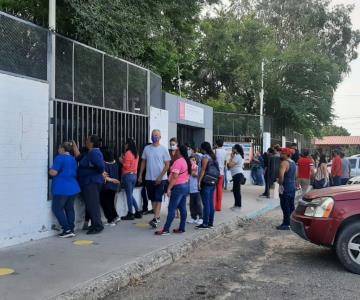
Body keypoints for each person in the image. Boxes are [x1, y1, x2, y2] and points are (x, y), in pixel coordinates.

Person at [138, 129, 171, 228]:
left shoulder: (164, 149)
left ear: (160, 137)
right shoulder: (147, 149)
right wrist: (140, 175)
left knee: (158, 198)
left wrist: (160, 177)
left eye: (156, 135)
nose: (155, 137)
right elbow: (143, 162)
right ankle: (156, 216)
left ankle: (155, 218)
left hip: (161, 179)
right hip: (149, 178)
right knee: (152, 198)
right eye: (153, 135)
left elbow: (167, 165)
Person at [155, 145, 191, 235]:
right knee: (182, 208)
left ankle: (166, 229)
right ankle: (182, 228)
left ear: (179, 152)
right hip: (185, 186)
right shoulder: (187, 161)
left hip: (178, 187)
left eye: (175, 150)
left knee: (172, 208)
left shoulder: (178, 162)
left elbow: (174, 177)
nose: (173, 152)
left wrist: (169, 189)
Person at [73, 135, 105, 235]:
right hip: (88, 183)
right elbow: (78, 157)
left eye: (87, 140)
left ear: (91, 143)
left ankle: (98, 226)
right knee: (91, 205)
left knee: (93, 205)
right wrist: (74, 146)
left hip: (92, 183)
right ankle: (95, 224)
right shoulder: (89, 152)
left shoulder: (95, 153)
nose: (85, 141)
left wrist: (90, 165)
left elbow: (101, 167)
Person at [49, 142, 81, 238]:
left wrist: (49, 169)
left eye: (59, 148)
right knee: (69, 208)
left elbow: (53, 173)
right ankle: (71, 229)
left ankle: (66, 229)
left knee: (57, 208)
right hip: (73, 187)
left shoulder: (59, 158)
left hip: (62, 188)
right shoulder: (73, 159)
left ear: (63, 149)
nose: (58, 150)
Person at [196, 142, 219, 230]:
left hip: (206, 182)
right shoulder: (213, 157)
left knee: (206, 204)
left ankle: (205, 223)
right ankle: (210, 223)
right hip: (213, 181)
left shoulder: (205, 157)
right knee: (210, 203)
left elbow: (203, 170)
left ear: (203, 149)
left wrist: (199, 182)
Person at [121, 138, 142, 220]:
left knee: (129, 195)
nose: (124, 145)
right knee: (130, 194)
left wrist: (121, 160)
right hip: (134, 176)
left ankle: (130, 213)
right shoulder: (136, 154)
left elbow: (126, 166)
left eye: (125, 144)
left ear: (128, 145)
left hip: (128, 176)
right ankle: (137, 211)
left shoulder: (128, 153)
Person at [277, 148, 296, 230]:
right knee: (291, 206)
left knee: (285, 205)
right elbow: (296, 174)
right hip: (292, 186)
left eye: (282, 153)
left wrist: (280, 183)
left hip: (286, 186)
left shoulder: (284, 163)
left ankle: (286, 224)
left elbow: (281, 175)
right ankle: (293, 223)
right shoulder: (293, 162)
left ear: (287, 155)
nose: (281, 154)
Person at [100, 148, 121, 226]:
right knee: (111, 203)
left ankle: (111, 220)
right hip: (114, 187)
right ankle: (115, 217)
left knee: (106, 204)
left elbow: (104, 176)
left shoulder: (104, 164)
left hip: (106, 187)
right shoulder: (115, 163)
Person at [227, 144, 245, 210]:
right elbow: (229, 167)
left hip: (238, 175)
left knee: (236, 190)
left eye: (233, 148)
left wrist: (231, 157)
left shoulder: (237, 156)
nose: (232, 149)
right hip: (236, 175)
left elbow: (230, 165)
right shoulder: (238, 156)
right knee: (235, 190)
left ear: (236, 149)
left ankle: (238, 205)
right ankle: (236, 205)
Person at [187, 153, 203, 225]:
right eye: (191, 160)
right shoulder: (188, 168)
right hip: (191, 190)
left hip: (196, 189)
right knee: (191, 204)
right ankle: (193, 217)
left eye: (194, 160)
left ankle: (201, 217)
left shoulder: (197, 167)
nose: (192, 161)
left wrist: (195, 173)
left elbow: (198, 175)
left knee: (198, 204)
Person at [213, 139, 226, 211]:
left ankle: (214, 205)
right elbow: (225, 162)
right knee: (220, 190)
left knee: (214, 189)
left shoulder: (214, 151)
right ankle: (219, 207)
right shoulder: (225, 151)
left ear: (216, 144)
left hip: (215, 173)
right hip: (221, 173)